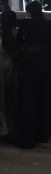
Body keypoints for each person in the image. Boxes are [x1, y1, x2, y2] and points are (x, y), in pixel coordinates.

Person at [13, 1, 51, 148]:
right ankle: (43, 133)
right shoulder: (49, 24)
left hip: (28, 64)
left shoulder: (25, 25)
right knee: (43, 98)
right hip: (45, 63)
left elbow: (18, 42)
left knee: (28, 99)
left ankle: (28, 134)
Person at [0, 9, 17, 138]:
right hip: (11, 67)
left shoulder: (5, 33)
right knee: (10, 98)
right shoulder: (15, 33)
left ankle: (4, 128)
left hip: (3, 67)